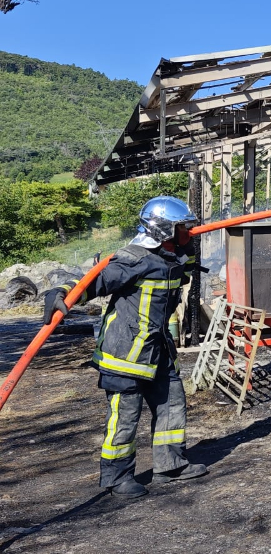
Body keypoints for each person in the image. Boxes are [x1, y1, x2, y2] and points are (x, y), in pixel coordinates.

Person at [43, 196, 208, 499]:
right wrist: (63, 292)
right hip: (125, 356)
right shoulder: (133, 259)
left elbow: (182, 271)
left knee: (172, 407)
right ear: (163, 229)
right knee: (124, 419)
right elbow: (95, 282)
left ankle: (170, 466)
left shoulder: (172, 258)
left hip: (158, 352)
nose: (189, 233)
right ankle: (117, 478)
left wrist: (187, 248)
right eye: (183, 228)